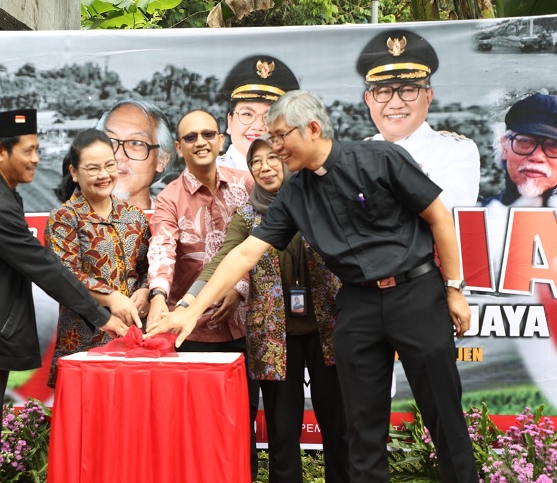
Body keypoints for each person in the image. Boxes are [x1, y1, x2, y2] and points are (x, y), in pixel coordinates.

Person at [148, 91, 478, 483]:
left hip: (415, 293)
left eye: (279, 136)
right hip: (357, 306)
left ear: (313, 129)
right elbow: (242, 254)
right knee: (362, 428)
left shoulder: (380, 159)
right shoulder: (294, 194)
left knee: (443, 413)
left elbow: (439, 217)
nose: (273, 147)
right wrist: (193, 307)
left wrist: (454, 288)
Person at [0, 110, 130, 483]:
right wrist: (102, 314)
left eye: (38, 149)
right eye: (29, 150)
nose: (37, 159)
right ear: (0, 152)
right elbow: (44, 266)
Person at [178, 136, 350, 482]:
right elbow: (224, 260)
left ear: (287, 160)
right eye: (256, 162)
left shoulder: (320, 203)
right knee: (281, 431)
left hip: (328, 329)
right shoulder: (247, 216)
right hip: (274, 337)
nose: (265, 167)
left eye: (272, 158)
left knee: (338, 425)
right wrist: (188, 303)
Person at [146, 108, 257, 477]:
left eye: (208, 134)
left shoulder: (249, 185)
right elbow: (162, 248)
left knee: (242, 426)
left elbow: (263, 248)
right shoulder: (169, 199)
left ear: (221, 140)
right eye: (190, 137)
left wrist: (239, 290)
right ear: (179, 147)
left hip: (245, 328)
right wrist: (159, 297)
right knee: (193, 433)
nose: (201, 143)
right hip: (191, 334)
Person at [46, 128, 151, 386]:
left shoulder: (134, 216)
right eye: (93, 169)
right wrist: (112, 297)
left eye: (109, 165)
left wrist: (147, 291)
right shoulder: (64, 217)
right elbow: (63, 274)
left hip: (135, 340)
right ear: (74, 172)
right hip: (85, 342)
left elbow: (148, 266)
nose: (103, 175)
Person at [358, 29, 480, 211]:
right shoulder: (357, 155)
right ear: (368, 100)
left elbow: (449, 211)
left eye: (408, 90)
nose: (396, 103)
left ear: (428, 97)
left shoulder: (457, 150)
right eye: (383, 92)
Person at [218, 55, 300, 171]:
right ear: (230, 122)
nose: (258, 126)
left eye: (269, 116)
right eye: (247, 114)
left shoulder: (300, 179)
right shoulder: (207, 176)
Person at [96, 99, 175, 210]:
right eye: (110, 141)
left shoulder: (178, 224)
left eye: (135, 143)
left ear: (161, 160)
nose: (118, 155)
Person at [482, 93, 557, 207]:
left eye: (554, 146)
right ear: (504, 147)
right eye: (525, 141)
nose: (537, 156)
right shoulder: (473, 213)